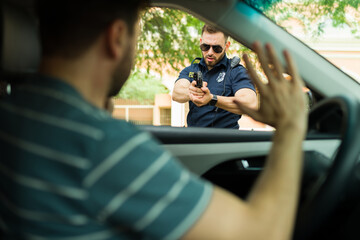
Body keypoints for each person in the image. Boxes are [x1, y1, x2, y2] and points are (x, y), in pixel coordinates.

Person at [0, 0, 307, 239]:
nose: (209, 51)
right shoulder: (104, 145)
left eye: (216, 47)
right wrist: (291, 127)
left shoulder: (12, 113)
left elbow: (246, 101)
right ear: (117, 37)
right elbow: (263, 234)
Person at [172, 24, 258, 128]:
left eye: (216, 48)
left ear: (226, 46)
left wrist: (212, 99)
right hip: (193, 140)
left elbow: (251, 104)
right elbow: (176, 93)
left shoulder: (236, 71)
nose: (210, 52)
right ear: (200, 42)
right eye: (205, 47)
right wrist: (193, 92)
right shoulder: (192, 69)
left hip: (224, 141)